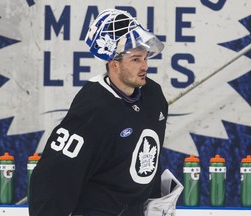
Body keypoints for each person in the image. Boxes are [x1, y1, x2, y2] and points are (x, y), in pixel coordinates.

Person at [29, 9, 172, 216]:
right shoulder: (94, 107)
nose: (145, 66)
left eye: (145, 58)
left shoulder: (153, 96)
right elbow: (54, 174)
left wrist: (154, 197)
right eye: (135, 60)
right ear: (114, 63)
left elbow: (146, 153)